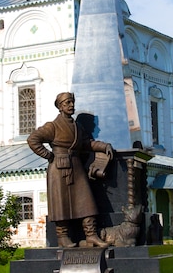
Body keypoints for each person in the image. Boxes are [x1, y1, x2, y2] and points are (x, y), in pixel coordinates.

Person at [27, 92, 113, 248]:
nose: (71, 105)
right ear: (60, 106)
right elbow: (33, 139)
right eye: (67, 103)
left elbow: (87, 144)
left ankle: (91, 235)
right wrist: (48, 155)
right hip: (59, 168)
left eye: (72, 102)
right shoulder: (52, 126)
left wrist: (103, 146)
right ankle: (63, 237)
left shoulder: (77, 127)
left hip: (76, 166)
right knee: (61, 204)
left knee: (87, 201)